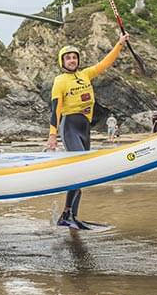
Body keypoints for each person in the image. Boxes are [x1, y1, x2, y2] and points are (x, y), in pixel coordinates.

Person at [47, 33, 129, 230]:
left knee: (81, 175)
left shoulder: (86, 75)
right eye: (68, 58)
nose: (72, 60)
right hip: (69, 126)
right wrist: (52, 135)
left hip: (85, 127)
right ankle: (66, 215)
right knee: (78, 171)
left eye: (74, 57)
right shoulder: (60, 81)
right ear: (62, 62)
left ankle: (72, 216)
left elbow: (105, 63)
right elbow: (56, 108)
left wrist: (119, 44)